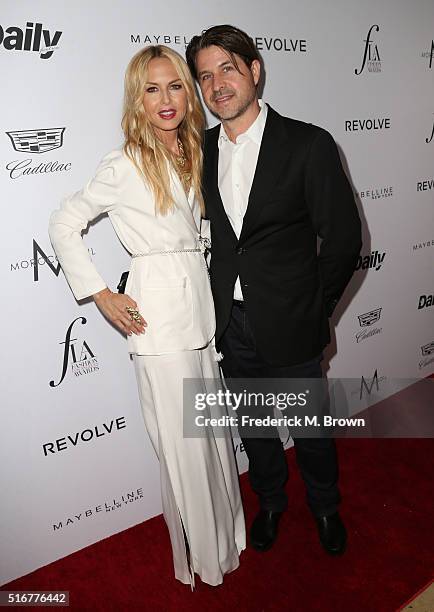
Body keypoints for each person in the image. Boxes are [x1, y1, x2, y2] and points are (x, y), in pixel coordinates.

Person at [48, 44, 245, 588]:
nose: (166, 99)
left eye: (175, 85)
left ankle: (226, 536)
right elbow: (64, 223)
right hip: (158, 320)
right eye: (152, 89)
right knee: (183, 443)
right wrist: (100, 294)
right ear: (137, 98)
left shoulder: (193, 151)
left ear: (189, 92)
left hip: (200, 312)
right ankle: (206, 556)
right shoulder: (124, 162)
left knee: (207, 434)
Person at [186, 25, 362, 555]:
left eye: (228, 69)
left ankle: (325, 507)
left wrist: (314, 307)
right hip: (231, 324)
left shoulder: (308, 143)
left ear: (255, 70)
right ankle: (270, 503)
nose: (217, 85)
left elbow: (344, 239)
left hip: (293, 320)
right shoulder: (200, 151)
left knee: (309, 431)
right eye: (205, 76)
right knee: (256, 430)